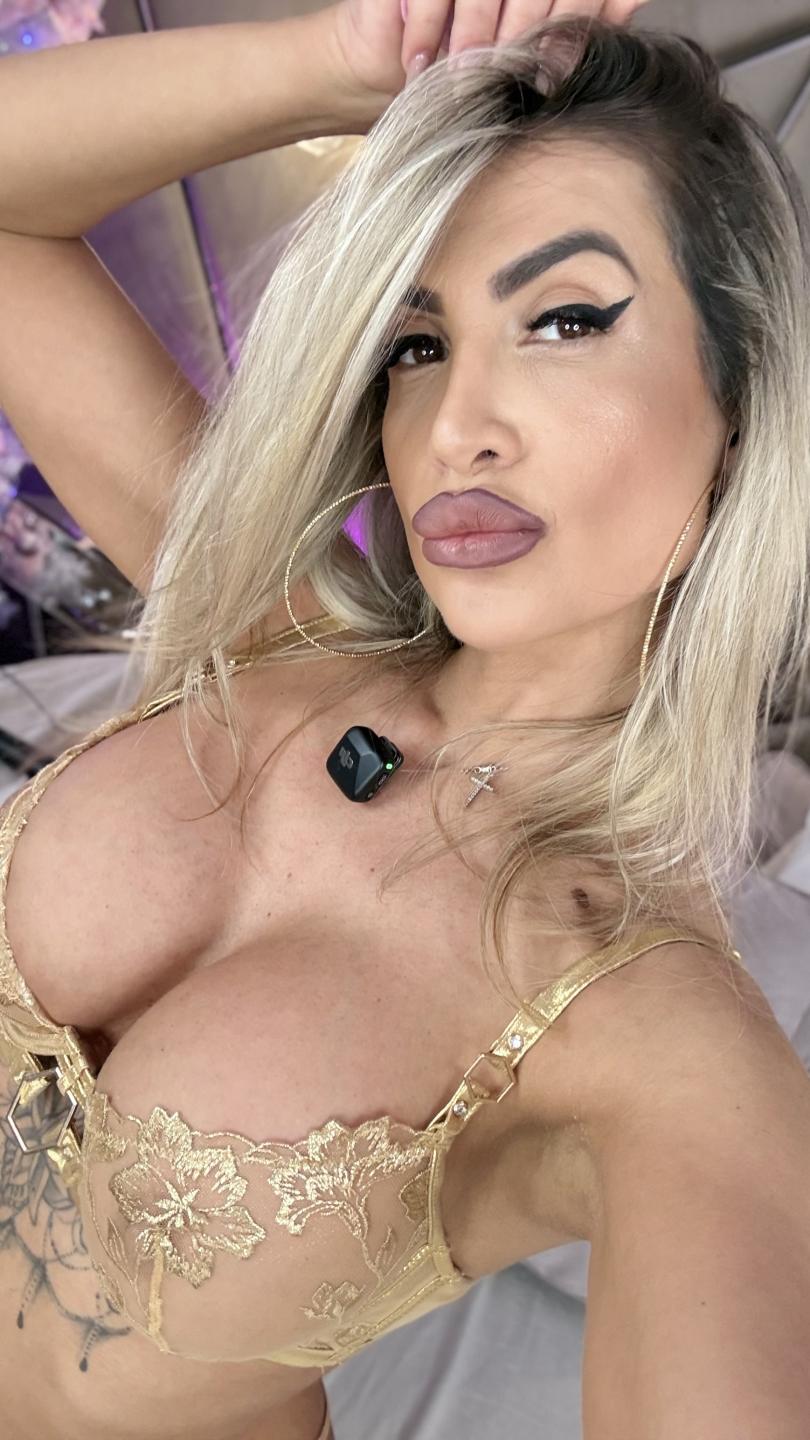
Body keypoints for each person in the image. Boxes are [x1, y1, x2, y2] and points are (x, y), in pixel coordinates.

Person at [1, 4, 809, 1438]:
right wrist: (343, 66)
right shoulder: (263, 614)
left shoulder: (652, 1041)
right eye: (419, 342)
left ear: (737, 408)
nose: (454, 427)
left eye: (565, 320)